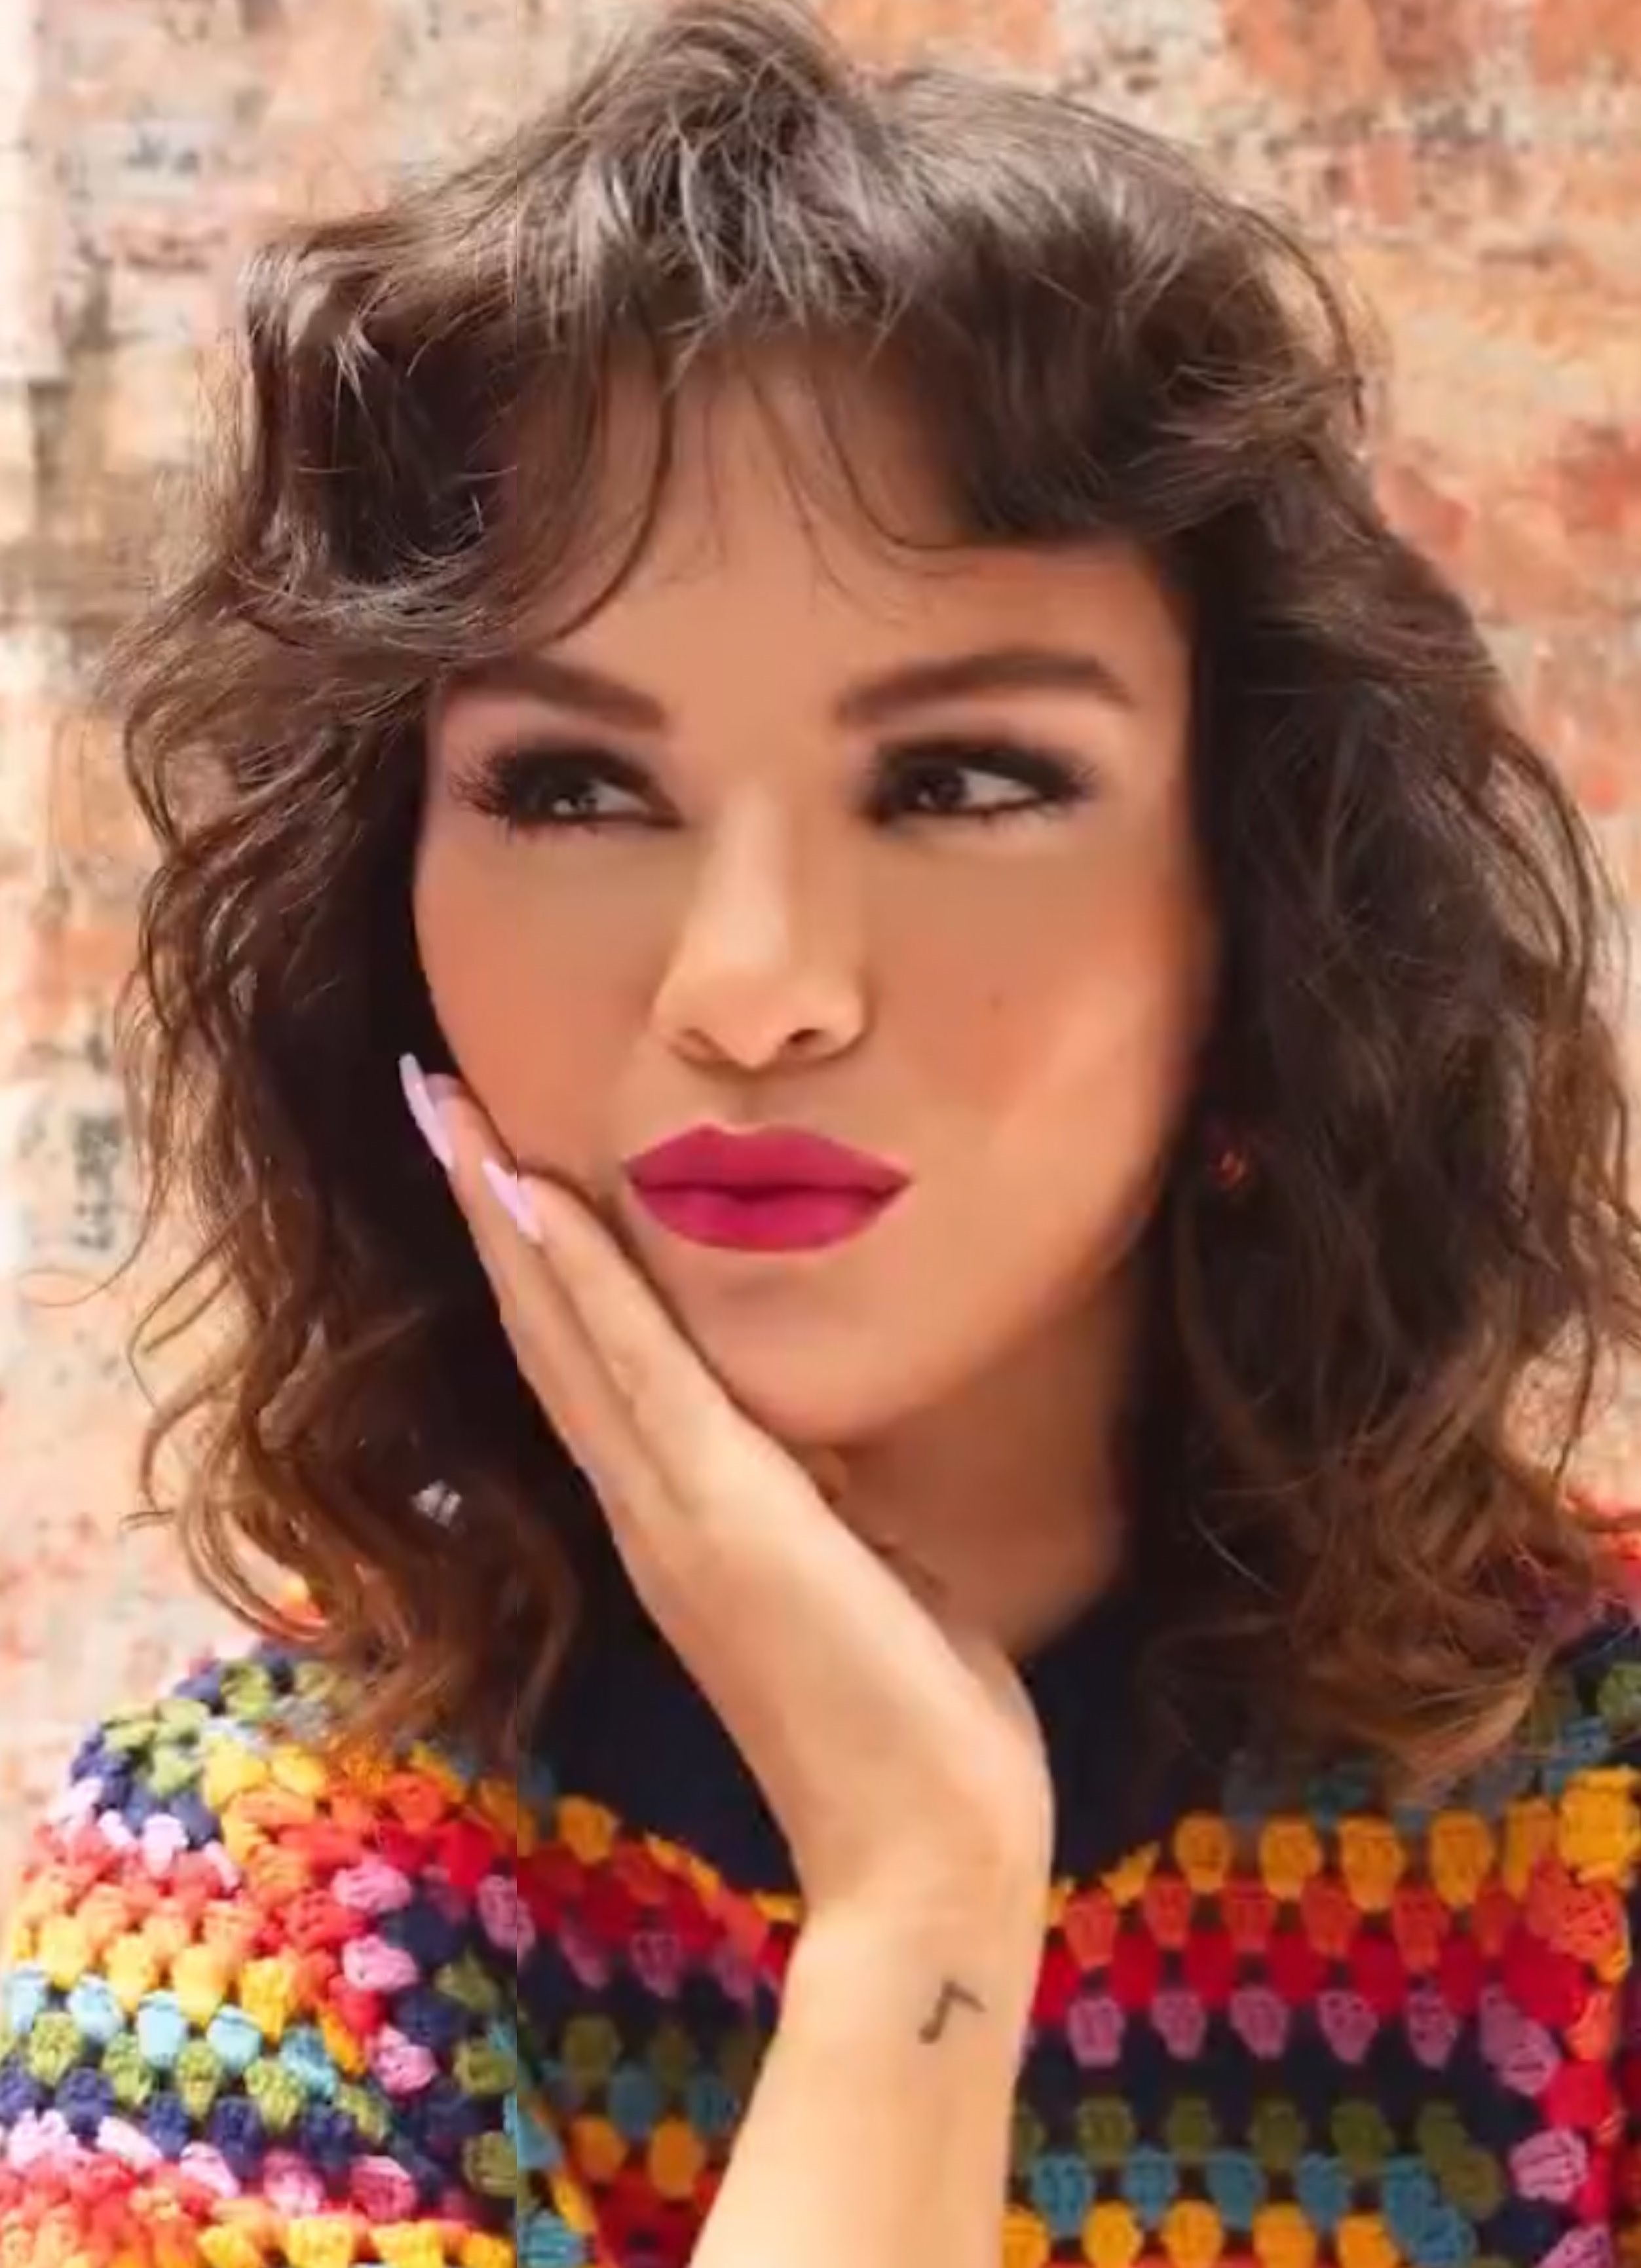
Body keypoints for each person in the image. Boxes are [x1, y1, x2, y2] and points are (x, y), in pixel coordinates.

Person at [5, 1, 1641, 2262]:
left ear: (1257, 910)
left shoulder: (1590, 1844)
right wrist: (916, 1908)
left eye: (959, 780)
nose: (751, 984)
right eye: (576, 789)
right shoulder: (234, 1929)